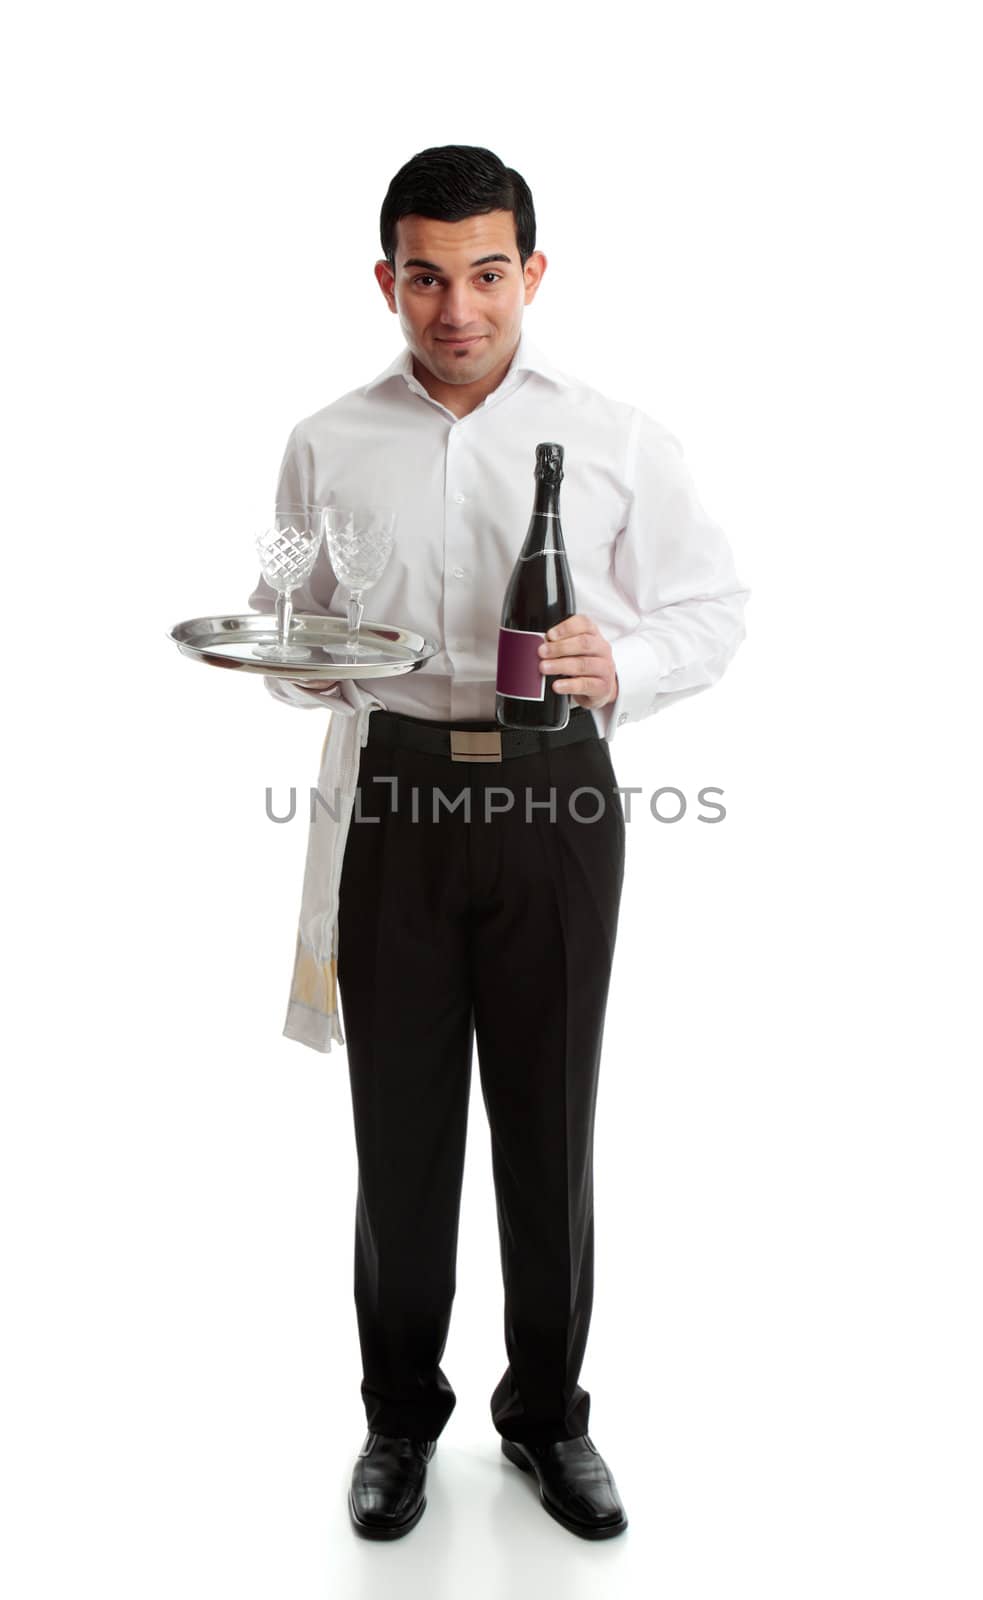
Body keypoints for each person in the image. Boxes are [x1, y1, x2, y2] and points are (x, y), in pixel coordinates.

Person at [250, 144, 750, 1541]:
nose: (454, 307)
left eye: (484, 273)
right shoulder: (326, 441)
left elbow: (713, 611)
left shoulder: (616, 437)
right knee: (398, 1136)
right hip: (396, 803)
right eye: (424, 276)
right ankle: (399, 1419)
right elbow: (281, 627)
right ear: (386, 281)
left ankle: (548, 1419)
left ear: (531, 273)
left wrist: (623, 661)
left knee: (549, 1125)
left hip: (558, 810)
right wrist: (314, 661)